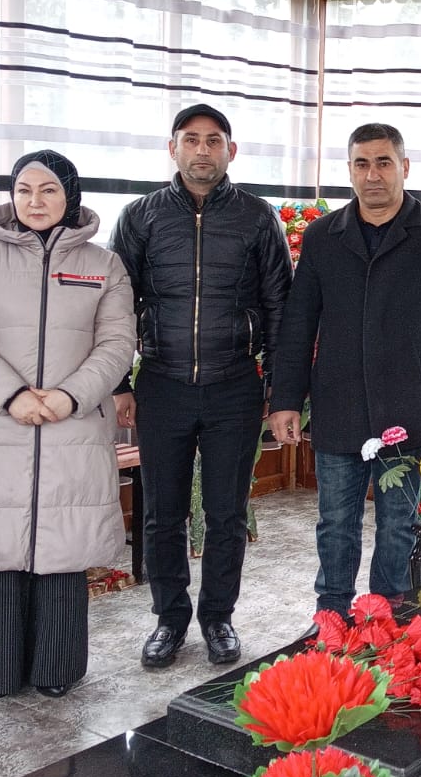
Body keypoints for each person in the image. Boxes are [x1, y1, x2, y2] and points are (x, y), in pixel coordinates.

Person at [268, 123, 421, 614]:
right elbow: (299, 322)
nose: (372, 175)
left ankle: (390, 615)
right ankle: (331, 614)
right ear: (350, 170)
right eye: (362, 164)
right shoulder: (323, 235)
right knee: (336, 522)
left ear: (405, 167)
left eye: (383, 162)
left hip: (412, 405)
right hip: (340, 404)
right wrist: (285, 399)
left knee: (400, 524)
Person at [0, 151, 135, 699]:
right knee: (0, 549)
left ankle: (57, 669)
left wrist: (72, 396)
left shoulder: (104, 264)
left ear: (70, 196)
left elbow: (117, 342)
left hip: (75, 424)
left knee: (65, 548)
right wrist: (12, 395)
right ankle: (2, 670)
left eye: (48, 190)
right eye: (24, 190)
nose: (35, 201)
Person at [111, 104, 291, 669]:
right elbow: (116, 306)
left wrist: (279, 388)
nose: (202, 150)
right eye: (191, 140)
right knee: (162, 514)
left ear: (230, 151)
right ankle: (169, 619)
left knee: (226, 514)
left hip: (234, 384)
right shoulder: (140, 217)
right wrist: (119, 383)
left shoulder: (258, 217)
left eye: (214, 141)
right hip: (161, 384)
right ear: (173, 149)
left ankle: (218, 617)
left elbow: (279, 306)